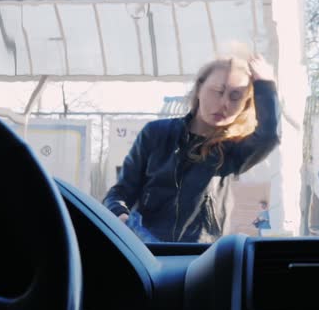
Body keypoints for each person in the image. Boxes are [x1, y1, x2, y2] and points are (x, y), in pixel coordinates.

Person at [103, 54, 280, 243]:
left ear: (244, 105)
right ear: (199, 89)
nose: (224, 103)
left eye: (235, 97)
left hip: (199, 254)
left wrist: (265, 85)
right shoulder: (156, 134)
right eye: (218, 91)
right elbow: (120, 192)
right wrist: (120, 215)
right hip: (146, 251)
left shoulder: (232, 149)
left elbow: (268, 136)